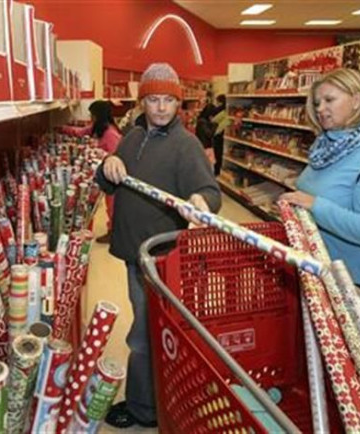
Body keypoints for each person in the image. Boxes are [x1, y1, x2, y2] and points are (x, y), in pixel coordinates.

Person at [95, 63, 222, 429]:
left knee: (144, 334)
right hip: (135, 254)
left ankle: (144, 409)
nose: (162, 108)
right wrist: (109, 164)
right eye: (154, 99)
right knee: (148, 328)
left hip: (160, 259)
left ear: (178, 103)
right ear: (143, 101)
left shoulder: (186, 145)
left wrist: (200, 200)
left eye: (169, 100)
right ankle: (157, 398)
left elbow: (210, 191)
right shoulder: (133, 137)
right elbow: (107, 182)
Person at [280, 68, 360, 299]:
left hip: (354, 277)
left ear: (356, 100)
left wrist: (315, 205)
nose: (320, 108)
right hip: (321, 266)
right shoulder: (327, 147)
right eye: (317, 102)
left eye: (329, 100)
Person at [62, 100, 122, 243]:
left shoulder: (110, 133)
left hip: (114, 176)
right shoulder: (98, 127)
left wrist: (101, 155)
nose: (91, 117)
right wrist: (62, 128)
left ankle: (113, 233)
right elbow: (81, 132)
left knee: (113, 204)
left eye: (92, 115)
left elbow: (116, 156)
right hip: (105, 174)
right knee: (110, 204)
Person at [211, 94, 228, 176]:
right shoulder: (226, 110)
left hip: (218, 134)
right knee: (220, 154)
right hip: (225, 134)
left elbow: (213, 120)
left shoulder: (219, 111)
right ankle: (219, 170)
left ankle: (216, 171)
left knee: (217, 154)